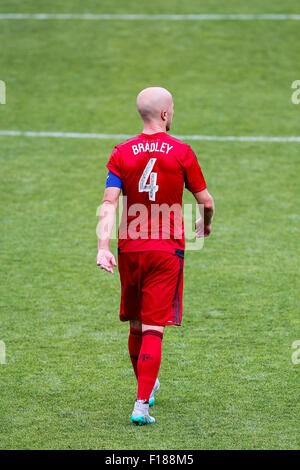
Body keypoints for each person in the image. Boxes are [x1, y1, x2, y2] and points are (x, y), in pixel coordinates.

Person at [97, 87, 214, 425]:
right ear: (165, 114)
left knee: (135, 324)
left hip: (130, 247)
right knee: (154, 328)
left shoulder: (121, 152)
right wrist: (204, 224)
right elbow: (206, 202)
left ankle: (146, 387)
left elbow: (108, 204)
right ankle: (141, 405)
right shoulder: (182, 152)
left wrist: (103, 248)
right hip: (166, 249)